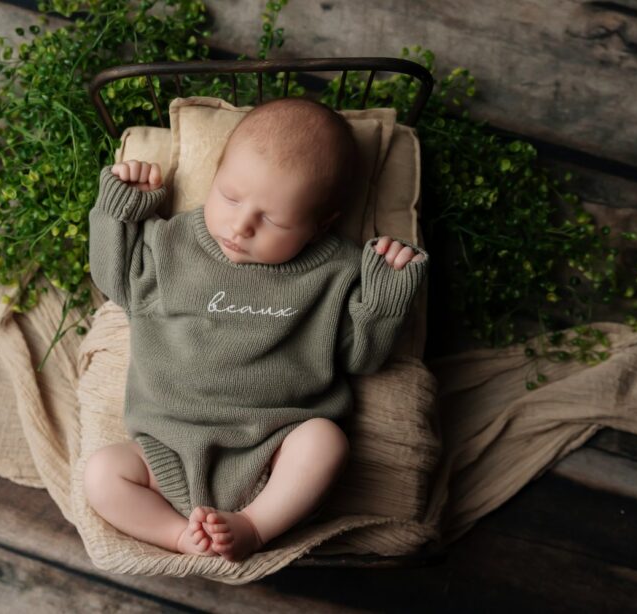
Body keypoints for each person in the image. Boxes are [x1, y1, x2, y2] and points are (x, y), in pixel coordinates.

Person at [83, 97, 428, 563]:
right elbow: (115, 279)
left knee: (325, 442)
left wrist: (384, 297)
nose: (241, 225)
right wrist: (121, 209)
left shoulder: (334, 273)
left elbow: (361, 358)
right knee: (102, 473)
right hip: (165, 445)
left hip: (272, 448)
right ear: (216, 174)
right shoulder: (172, 244)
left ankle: (254, 526)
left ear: (318, 225)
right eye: (229, 196)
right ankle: (180, 535)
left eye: (273, 219)